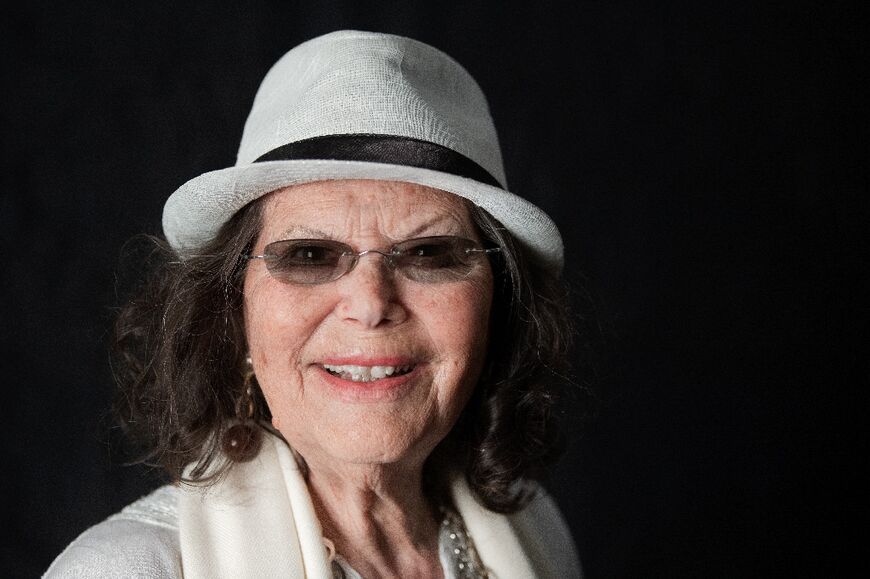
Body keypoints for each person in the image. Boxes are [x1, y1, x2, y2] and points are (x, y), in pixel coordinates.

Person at [44, 30, 581, 578]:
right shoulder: (129, 569)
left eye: (428, 252)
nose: (370, 304)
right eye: (308, 254)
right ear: (233, 311)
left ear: (501, 300)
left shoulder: (535, 529)